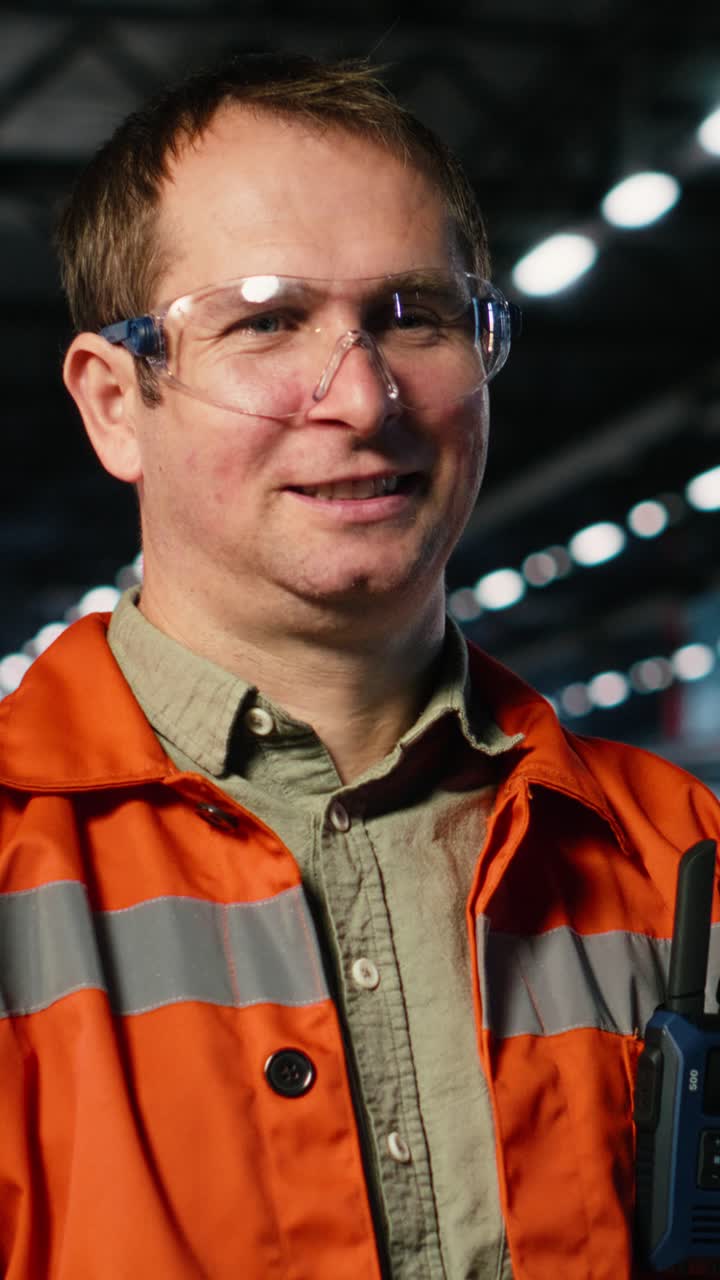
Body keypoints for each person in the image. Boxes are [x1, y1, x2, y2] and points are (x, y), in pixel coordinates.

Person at [0, 51, 717, 1280]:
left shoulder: (678, 859)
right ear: (116, 401)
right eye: (266, 320)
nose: (365, 397)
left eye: (412, 315)